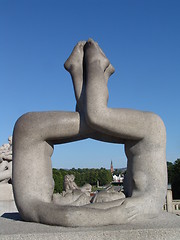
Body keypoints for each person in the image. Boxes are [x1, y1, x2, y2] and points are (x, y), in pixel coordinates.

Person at [13, 39, 167, 227]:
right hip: (150, 135)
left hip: (29, 137)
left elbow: (74, 217)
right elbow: (78, 216)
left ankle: (92, 68)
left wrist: (108, 214)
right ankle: (88, 68)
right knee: (95, 116)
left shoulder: (35, 206)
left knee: (91, 117)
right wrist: (111, 215)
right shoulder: (144, 205)